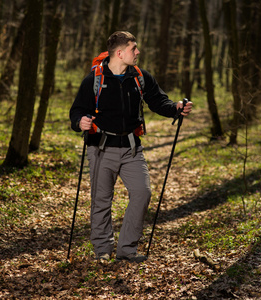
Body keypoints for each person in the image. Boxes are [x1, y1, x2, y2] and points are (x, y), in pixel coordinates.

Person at [69, 31, 192, 263]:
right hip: (101, 148)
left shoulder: (140, 77)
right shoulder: (94, 79)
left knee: (142, 193)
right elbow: (77, 110)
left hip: (132, 149)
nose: (138, 52)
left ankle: (126, 249)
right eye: (133, 48)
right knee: (101, 201)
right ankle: (103, 250)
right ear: (120, 52)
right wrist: (80, 122)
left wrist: (176, 107)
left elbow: (158, 101)